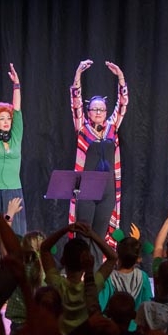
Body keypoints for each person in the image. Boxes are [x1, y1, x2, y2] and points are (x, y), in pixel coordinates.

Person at [68, 59, 129, 252]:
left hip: (107, 191)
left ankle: (97, 269)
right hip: (86, 190)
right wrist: (78, 75)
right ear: (88, 111)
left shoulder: (112, 127)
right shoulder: (82, 128)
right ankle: (80, 268)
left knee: (100, 238)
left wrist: (121, 78)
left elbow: (122, 105)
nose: (98, 112)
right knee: (83, 236)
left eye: (101, 109)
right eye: (94, 109)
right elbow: (76, 104)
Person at [0, 63, 26, 235]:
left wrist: (17, 84)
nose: (6, 121)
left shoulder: (16, 137)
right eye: (2, 119)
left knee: (14, 235)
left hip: (14, 191)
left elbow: (17, 110)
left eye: (8, 118)